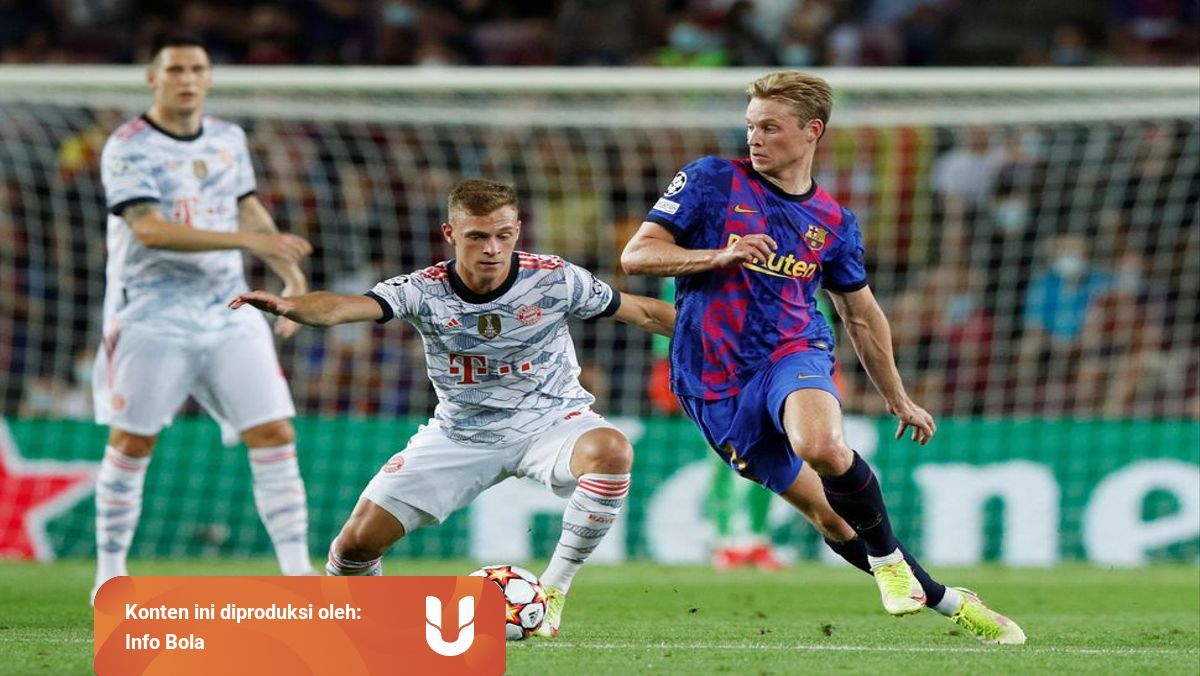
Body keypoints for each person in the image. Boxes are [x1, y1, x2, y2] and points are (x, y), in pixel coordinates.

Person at [621, 71, 1025, 645]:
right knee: (830, 517)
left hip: (793, 350)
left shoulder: (834, 222)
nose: (755, 138)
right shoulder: (711, 179)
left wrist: (899, 398)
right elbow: (637, 255)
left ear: (812, 131)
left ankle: (888, 564)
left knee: (823, 446)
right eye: (751, 126)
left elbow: (861, 314)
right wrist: (718, 255)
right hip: (711, 378)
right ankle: (948, 600)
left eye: (770, 127)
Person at [230, 178, 676, 638]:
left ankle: (552, 593)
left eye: (503, 235)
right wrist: (291, 305)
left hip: (551, 420)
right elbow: (341, 308)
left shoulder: (555, 278)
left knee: (611, 450)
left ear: (518, 231)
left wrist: (718, 333)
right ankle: (371, 632)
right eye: (477, 236)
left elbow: (644, 312)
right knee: (354, 548)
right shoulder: (423, 289)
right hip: (461, 433)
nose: (492, 249)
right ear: (450, 234)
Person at [92, 35, 318, 602]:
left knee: (274, 431)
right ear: (153, 78)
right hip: (151, 313)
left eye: (197, 68)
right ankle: (110, 572)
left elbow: (247, 208)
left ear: (210, 77)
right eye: (175, 70)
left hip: (228, 306)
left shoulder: (227, 138)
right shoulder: (127, 146)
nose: (187, 79)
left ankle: (298, 572)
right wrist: (244, 240)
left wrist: (290, 277)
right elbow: (149, 229)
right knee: (133, 441)